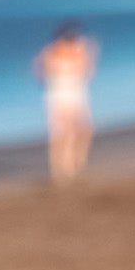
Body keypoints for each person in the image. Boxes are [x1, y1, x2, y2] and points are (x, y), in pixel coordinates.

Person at [34, 21, 97, 183]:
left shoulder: (66, 51)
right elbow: (86, 71)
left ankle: (71, 166)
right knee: (65, 133)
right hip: (62, 94)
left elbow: (87, 72)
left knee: (81, 129)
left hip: (72, 93)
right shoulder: (53, 52)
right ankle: (63, 170)